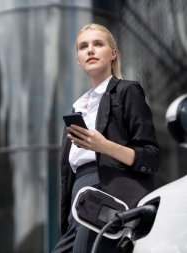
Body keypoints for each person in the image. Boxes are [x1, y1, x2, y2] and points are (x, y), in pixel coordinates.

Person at [52, 23, 160, 253]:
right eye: (83, 47)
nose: (90, 50)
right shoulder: (77, 108)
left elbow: (151, 157)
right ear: (78, 60)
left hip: (108, 195)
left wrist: (103, 146)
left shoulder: (127, 91)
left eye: (97, 44)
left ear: (113, 54)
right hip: (78, 200)